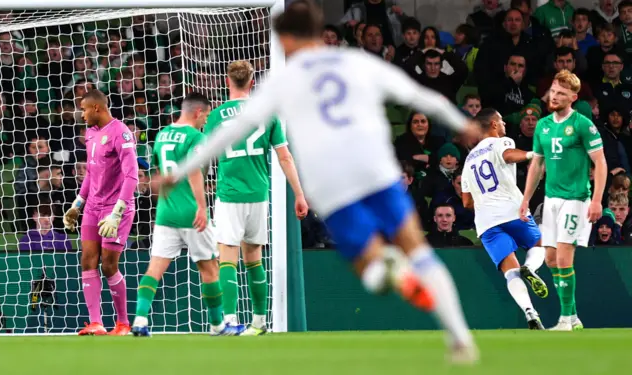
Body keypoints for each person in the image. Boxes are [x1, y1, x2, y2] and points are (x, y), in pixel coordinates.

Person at [160, 0, 479, 363]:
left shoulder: (284, 80)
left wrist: (179, 170)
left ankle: (387, 267)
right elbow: (422, 96)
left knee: (370, 272)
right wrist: (462, 123)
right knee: (418, 250)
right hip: (376, 169)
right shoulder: (356, 61)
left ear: (285, 39)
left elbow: (224, 136)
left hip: (333, 186)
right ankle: (459, 338)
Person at [204, 60, 308, 336]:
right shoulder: (268, 114)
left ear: (228, 81)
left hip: (229, 195)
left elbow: (203, 159)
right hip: (259, 195)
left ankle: (228, 320)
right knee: (254, 258)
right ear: (252, 83)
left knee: (227, 257)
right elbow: (284, 156)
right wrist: (299, 194)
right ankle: (259, 322)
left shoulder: (215, 116)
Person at [131, 93, 242, 337]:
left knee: (154, 269)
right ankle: (217, 325)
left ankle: (139, 320)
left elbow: (159, 176)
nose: (206, 121)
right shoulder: (196, 137)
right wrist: (202, 207)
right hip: (192, 214)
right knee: (210, 269)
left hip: (165, 214)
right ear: (198, 112)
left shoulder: (161, 135)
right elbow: (194, 172)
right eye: (206, 115)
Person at [520, 69, 607, 331]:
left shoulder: (582, 124)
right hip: (551, 200)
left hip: (576, 198)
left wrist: (597, 200)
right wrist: (525, 199)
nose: (554, 96)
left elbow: (600, 162)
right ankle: (574, 317)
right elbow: (537, 165)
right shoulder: (543, 125)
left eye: (561, 93)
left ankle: (566, 320)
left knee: (564, 258)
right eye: (553, 91)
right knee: (549, 259)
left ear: (573, 97)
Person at [461, 108, 547, 330]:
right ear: (493, 125)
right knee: (539, 244)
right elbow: (509, 156)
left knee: (510, 272)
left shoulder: (468, 160)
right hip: (512, 210)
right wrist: (531, 155)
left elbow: (466, 203)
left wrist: (485, 202)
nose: (504, 126)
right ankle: (531, 268)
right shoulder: (500, 142)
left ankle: (530, 313)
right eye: (501, 122)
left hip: (486, 223)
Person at [63, 89, 139, 336]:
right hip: (93, 207)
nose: (81, 115)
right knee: (87, 259)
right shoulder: (90, 133)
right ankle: (95, 322)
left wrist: (117, 212)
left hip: (116, 207)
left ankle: (123, 323)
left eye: (84, 109)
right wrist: (77, 204)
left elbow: (132, 175)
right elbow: (91, 172)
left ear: (96, 108)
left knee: (108, 265)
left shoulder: (121, 132)